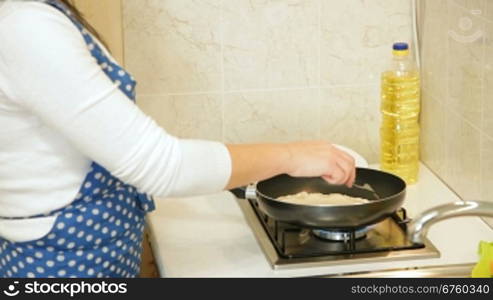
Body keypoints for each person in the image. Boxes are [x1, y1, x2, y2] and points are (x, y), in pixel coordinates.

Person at [0, 0, 356, 278]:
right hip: (60, 267)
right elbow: (161, 166)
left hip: (89, 257)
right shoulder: (25, 27)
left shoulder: (41, 18)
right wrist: (291, 155)